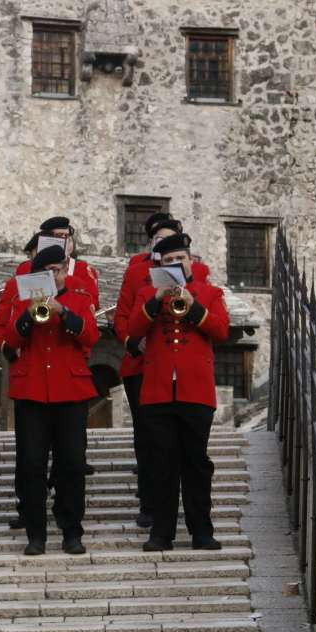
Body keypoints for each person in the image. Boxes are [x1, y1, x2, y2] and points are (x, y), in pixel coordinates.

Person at [125, 232, 229, 552]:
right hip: (156, 390)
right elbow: (132, 331)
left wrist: (194, 306)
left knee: (196, 462)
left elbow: (221, 331)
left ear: (190, 261)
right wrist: (157, 299)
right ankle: (161, 532)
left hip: (195, 389)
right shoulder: (147, 294)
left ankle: (202, 531)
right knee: (161, 463)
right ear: (159, 265)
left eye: (180, 259)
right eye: (168, 261)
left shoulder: (209, 293)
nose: (175, 264)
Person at [114, 214, 210, 528]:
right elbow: (123, 316)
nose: (163, 247)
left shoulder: (199, 274)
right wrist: (133, 342)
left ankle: (186, 514)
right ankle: (150, 503)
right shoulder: (137, 273)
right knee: (148, 439)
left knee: (185, 450)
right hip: (142, 365)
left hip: (180, 369)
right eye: (158, 241)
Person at [3, 245, 98, 556]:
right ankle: (36, 534)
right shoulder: (21, 301)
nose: (54, 276)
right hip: (31, 391)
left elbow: (90, 337)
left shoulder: (80, 299)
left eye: (58, 270)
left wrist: (63, 311)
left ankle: (72, 531)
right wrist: (30, 315)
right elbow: (12, 340)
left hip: (70, 391)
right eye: (47, 272)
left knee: (71, 463)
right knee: (31, 465)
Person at [15, 217, 99, 310]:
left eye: (67, 236)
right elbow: (18, 303)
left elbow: (92, 301)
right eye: (59, 235)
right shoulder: (25, 267)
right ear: (45, 238)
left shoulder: (81, 267)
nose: (64, 240)